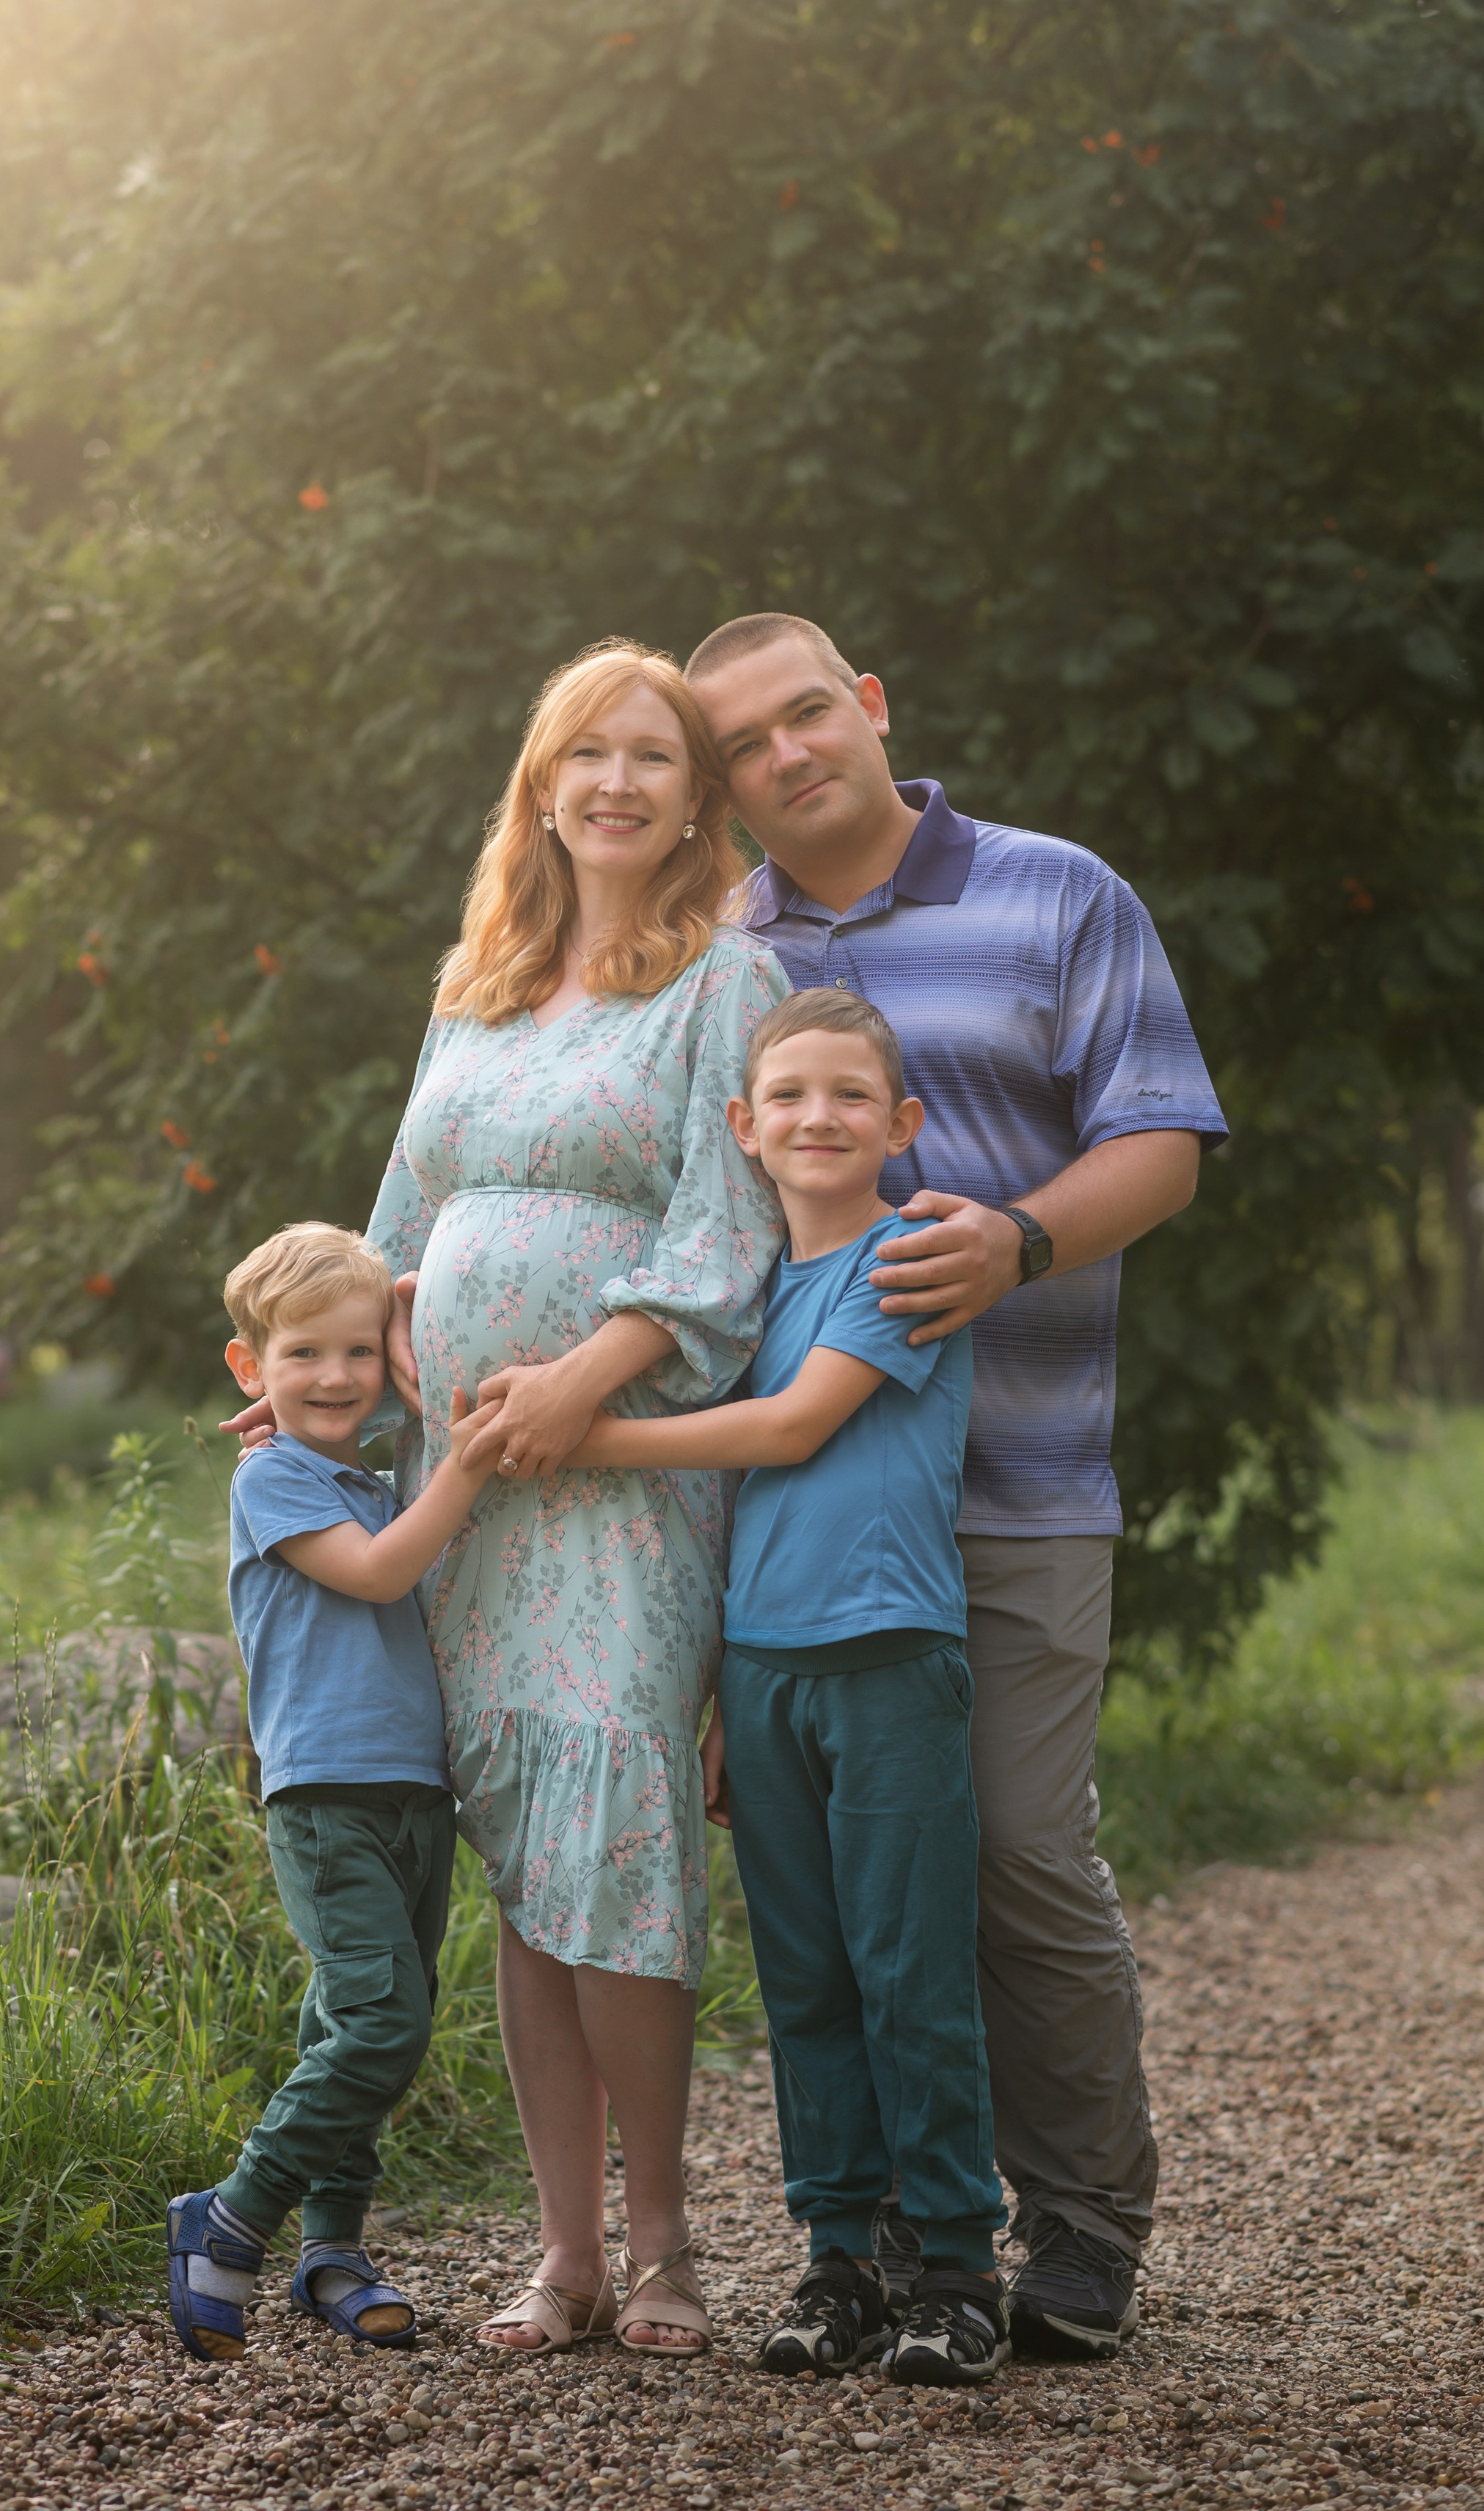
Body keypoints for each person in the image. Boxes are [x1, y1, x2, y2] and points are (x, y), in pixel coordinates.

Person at [683, 611, 1228, 2359]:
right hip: (799, 1526)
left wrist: (1019, 1237)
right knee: (840, 1907)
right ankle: (895, 2243)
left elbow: (1160, 1139)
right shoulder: (714, 953)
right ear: (725, 783)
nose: (785, 753)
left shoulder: (1059, 894)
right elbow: (649, 1199)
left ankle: (1078, 2220)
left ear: (868, 706)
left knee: (1009, 1851)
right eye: (742, 743)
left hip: (1019, 1484)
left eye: (805, 711)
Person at [365, 639, 789, 2357]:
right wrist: (371, 1330)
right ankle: (564, 2255)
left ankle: (670, 2239)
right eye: (585, 753)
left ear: (694, 797)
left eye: (652, 755)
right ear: (541, 786)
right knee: (524, 1844)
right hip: (464, 1485)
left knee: (611, 1809)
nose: (616, 781)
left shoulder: (723, 985)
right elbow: (397, 1213)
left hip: (617, 1474)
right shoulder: (476, 982)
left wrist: (571, 1383)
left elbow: (722, 1234)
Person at [563, 987, 1010, 2388]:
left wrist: (584, 1430)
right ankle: (838, 2260)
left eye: (852, 1096)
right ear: (747, 1129)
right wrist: (712, 1691)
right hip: (762, 1677)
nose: (822, 1118)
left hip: (887, 1662)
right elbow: (740, 1512)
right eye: (793, 1098)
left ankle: (952, 2268)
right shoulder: (752, 1293)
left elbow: (794, 1425)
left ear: (903, 1124)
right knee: (805, 1981)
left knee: (909, 1972)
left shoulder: (909, 1260)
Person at [166, 1221, 498, 2361]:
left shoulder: (365, 1467)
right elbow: (378, 1570)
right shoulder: (273, 1478)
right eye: (303, 1355)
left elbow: (395, 1381)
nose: (338, 1377)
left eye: (360, 1353)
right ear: (248, 1368)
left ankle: (333, 2251)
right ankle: (232, 2217)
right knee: (380, 2021)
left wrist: (398, 1313)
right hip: (323, 1797)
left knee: (354, 2023)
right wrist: (464, 1462)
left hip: (415, 1795)